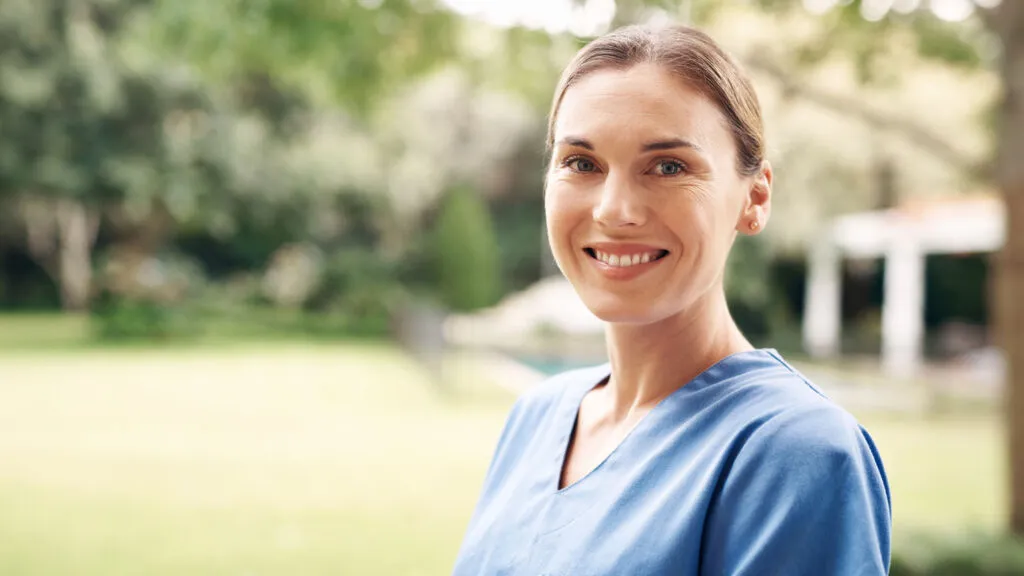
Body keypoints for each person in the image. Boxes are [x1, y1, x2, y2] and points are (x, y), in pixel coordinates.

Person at [451, 23, 892, 576]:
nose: (614, 210)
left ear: (754, 198)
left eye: (668, 167)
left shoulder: (795, 453)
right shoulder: (537, 416)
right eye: (581, 163)